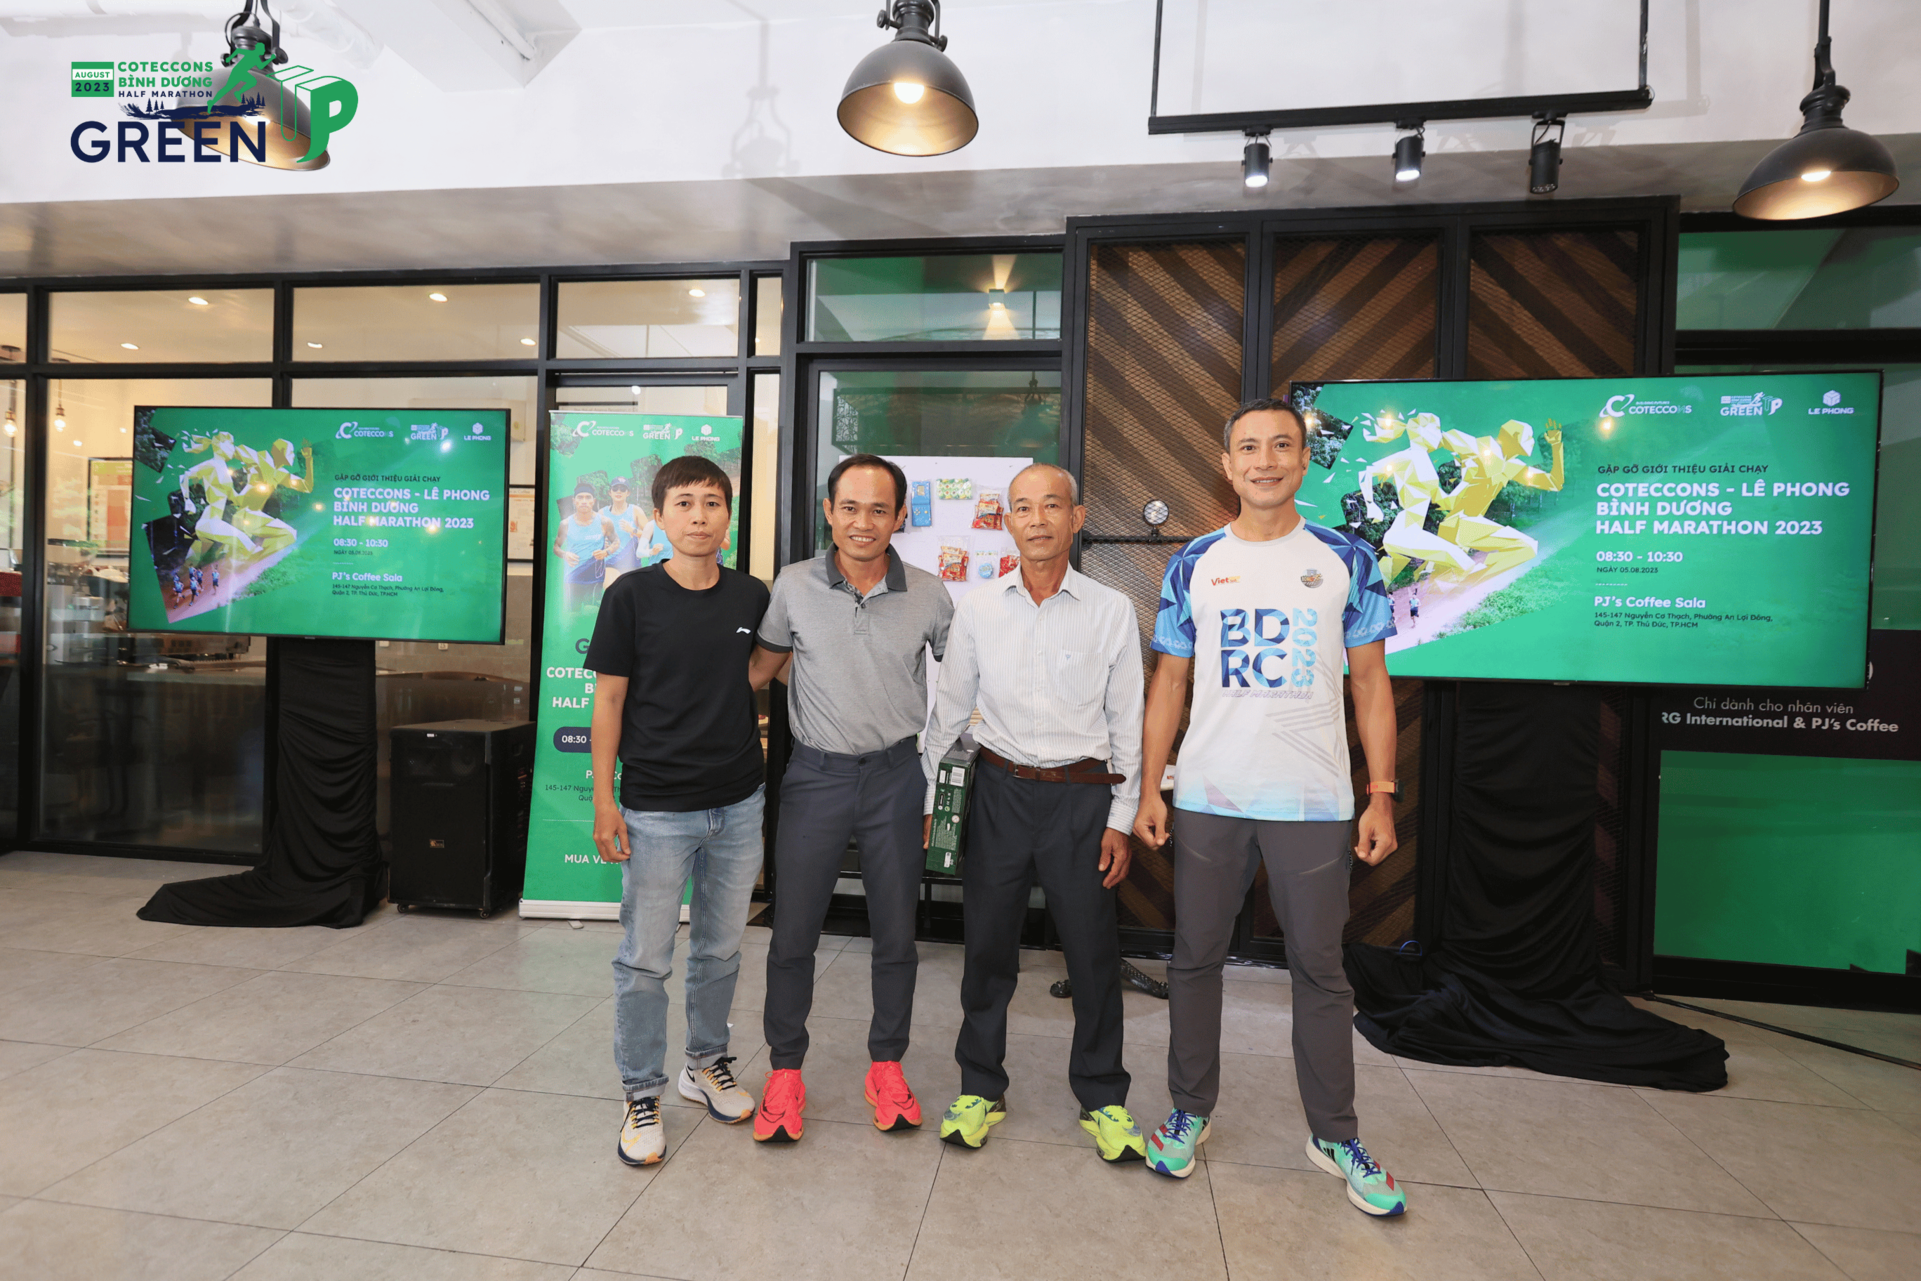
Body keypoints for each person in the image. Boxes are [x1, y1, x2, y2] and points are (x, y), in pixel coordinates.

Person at [1134, 396, 1407, 1216]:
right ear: (1226, 465)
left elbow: (1371, 683)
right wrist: (1148, 787)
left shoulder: (1346, 557)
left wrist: (1381, 794)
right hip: (1209, 794)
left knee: (1319, 968)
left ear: (1301, 460)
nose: (1264, 460)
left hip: (1312, 798)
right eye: (1248, 447)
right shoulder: (1194, 562)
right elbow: (1169, 684)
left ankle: (1334, 1133)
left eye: (1280, 445)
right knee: (1194, 957)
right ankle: (1188, 1112)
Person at [920, 463, 1148, 1163]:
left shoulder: (1110, 609)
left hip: (1083, 798)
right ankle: (979, 1086)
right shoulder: (979, 608)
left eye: (1052, 505)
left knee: (1092, 953)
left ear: (1075, 519)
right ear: (1009, 522)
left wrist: (1120, 818)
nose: (1038, 518)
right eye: (1023, 507)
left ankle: (1102, 1095)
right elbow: (948, 713)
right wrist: (934, 805)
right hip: (999, 793)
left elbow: (1128, 722)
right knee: (987, 950)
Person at [586, 454, 786, 1168]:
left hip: (738, 801)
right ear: (660, 515)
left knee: (721, 948)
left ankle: (705, 1063)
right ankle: (640, 1091)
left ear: (728, 515)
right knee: (645, 959)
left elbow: (762, 671)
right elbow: (609, 700)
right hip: (656, 807)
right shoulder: (631, 595)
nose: (699, 516)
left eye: (712, 502)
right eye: (684, 503)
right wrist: (605, 800)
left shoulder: (752, 595)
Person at [750, 452, 954, 1144]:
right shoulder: (793, 585)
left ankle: (886, 1064)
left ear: (900, 517)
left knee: (896, 934)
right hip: (816, 778)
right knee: (793, 932)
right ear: (829, 513)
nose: (862, 521)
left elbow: (963, 681)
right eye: (849, 507)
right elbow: (763, 669)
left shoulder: (929, 593)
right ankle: (785, 1070)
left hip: (897, 777)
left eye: (878, 509)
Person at [554, 481, 615, 614]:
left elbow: (616, 541)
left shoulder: (604, 522)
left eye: (588, 497)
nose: (584, 501)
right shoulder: (565, 524)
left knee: (591, 612)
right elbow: (556, 547)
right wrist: (565, 554)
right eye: (580, 497)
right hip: (572, 578)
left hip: (595, 578)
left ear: (594, 501)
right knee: (573, 615)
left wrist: (606, 551)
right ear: (574, 501)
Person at [598, 475, 644, 588]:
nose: (619, 491)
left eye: (623, 489)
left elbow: (650, 535)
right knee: (612, 588)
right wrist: (602, 543)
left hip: (631, 562)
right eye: (615, 488)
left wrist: (632, 530)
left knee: (631, 593)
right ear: (610, 492)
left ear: (628, 493)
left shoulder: (636, 511)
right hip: (610, 561)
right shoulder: (602, 513)